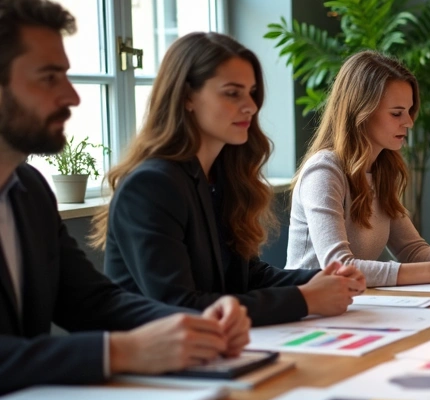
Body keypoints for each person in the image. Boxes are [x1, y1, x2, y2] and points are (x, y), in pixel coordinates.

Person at [0, 0, 250, 393]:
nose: (73, 95)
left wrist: (195, 328)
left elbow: (92, 301)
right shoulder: (156, 181)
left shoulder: (28, 190)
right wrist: (119, 352)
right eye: (49, 78)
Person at [93, 32, 364, 326]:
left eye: (251, 92)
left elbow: (247, 276)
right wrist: (306, 299)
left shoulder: (220, 177)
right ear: (186, 97)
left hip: (213, 350)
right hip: (153, 363)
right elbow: (179, 307)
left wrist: (322, 278)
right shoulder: (150, 187)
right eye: (233, 93)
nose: (250, 105)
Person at [287, 51, 430, 286]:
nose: (409, 122)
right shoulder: (324, 172)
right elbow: (340, 268)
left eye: (409, 111)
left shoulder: (382, 170)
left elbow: (413, 250)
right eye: (396, 113)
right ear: (362, 112)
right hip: (306, 312)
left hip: (350, 306)